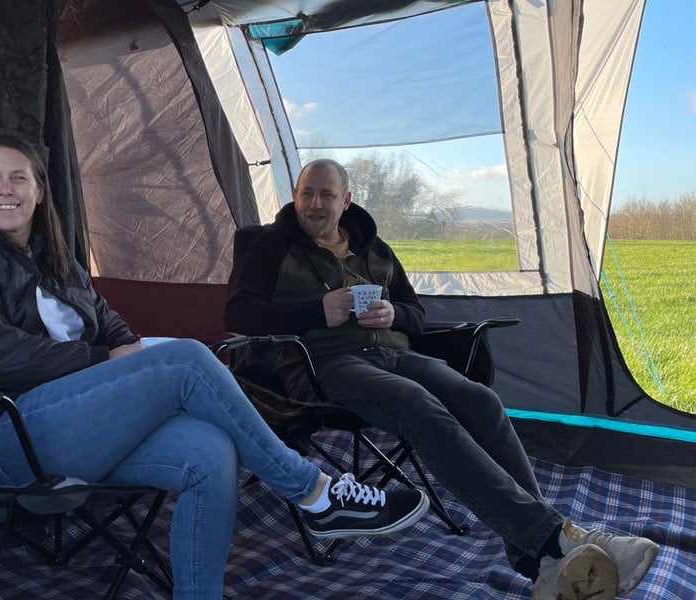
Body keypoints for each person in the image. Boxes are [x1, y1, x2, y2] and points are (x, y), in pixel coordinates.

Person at [0, 134, 430, 600]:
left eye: (18, 177)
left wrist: (126, 351)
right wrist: (104, 360)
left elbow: (110, 321)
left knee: (210, 452)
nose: (6, 189)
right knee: (187, 358)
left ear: (38, 190)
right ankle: (315, 492)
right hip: (3, 437)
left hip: (82, 428)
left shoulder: (57, 259)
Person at [225, 158, 660, 599]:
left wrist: (395, 313)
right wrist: (315, 311)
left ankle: (544, 560)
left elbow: (416, 312)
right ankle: (555, 542)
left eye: (326, 195)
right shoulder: (272, 246)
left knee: (481, 402)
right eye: (306, 194)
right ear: (296, 195)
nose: (314, 204)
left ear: (346, 200)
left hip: (393, 353)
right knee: (415, 403)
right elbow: (237, 313)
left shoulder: (375, 250)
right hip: (325, 364)